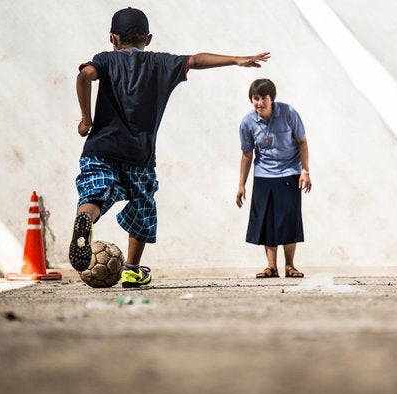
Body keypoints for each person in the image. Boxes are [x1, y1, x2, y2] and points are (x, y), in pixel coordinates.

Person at [69, 7, 270, 288]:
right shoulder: (161, 63)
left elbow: (83, 77)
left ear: (112, 38)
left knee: (95, 192)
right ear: (148, 39)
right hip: (140, 156)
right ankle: (131, 269)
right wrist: (237, 59)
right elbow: (196, 60)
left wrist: (86, 120)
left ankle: (84, 223)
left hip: (100, 148)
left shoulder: (104, 60)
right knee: (143, 207)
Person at [236, 79, 311, 278]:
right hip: (263, 175)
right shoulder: (247, 122)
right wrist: (241, 185)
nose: (259, 103)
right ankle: (271, 267)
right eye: (255, 98)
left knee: (288, 220)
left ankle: (290, 265)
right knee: (267, 221)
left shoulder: (289, 113)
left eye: (264, 98)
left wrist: (305, 171)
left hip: (290, 173)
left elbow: (302, 142)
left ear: (272, 99)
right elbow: (246, 154)